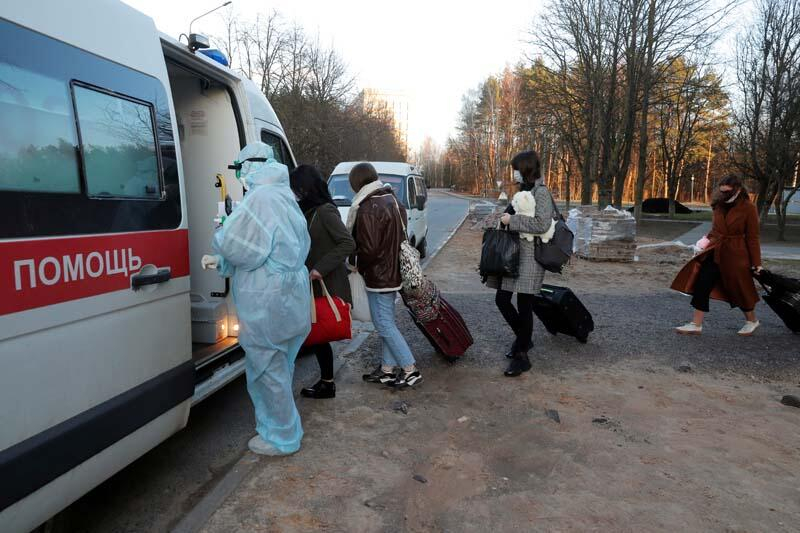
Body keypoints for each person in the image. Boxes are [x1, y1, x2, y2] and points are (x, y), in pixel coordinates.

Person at [201, 142, 311, 456]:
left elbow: (234, 244)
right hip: (290, 294)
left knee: (267, 368)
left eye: (239, 169)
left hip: (267, 296)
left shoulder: (260, 198)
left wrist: (221, 235)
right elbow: (270, 246)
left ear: (250, 166)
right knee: (281, 365)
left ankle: (281, 436)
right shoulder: (283, 194)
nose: (239, 176)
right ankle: (282, 427)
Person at [346, 162, 422, 388]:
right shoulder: (392, 199)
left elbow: (368, 249)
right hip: (393, 272)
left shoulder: (369, 206)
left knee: (384, 324)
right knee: (386, 322)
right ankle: (387, 370)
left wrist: (355, 263)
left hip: (379, 275)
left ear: (357, 183)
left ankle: (410, 369)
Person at [486, 150, 555, 377]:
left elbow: (542, 224)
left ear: (524, 169)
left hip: (531, 258)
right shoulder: (522, 190)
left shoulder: (541, 192)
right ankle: (524, 340)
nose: (513, 173)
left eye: (516, 168)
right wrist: (500, 219)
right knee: (502, 299)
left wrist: (511, 220)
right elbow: (509, 215)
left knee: (525, 305)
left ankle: (522, 357)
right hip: (514, 255)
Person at [290, 164, 356, 399]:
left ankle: (328, 384)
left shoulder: (325, 211)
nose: (295, 192)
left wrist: (320, 268)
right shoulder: (307, 210)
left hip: (326, 282)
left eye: (297, 188)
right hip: (312, 282)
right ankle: (327, 382)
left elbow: (347, 243)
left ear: (307, 188)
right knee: (317, 337)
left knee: (319, 335)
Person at [672, 174, 763, 336]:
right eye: (722, 191)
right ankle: (696, 324)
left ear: (738, 190)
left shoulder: (749, 207)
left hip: (737, 254)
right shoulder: (718, 205)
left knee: (740, 289)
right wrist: (705, 241)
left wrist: (756, 262)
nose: (724, 195)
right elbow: (716, 229)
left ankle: (752, 320)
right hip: (716, 251)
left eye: (727, 192)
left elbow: (753, 237)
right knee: (702, 282)